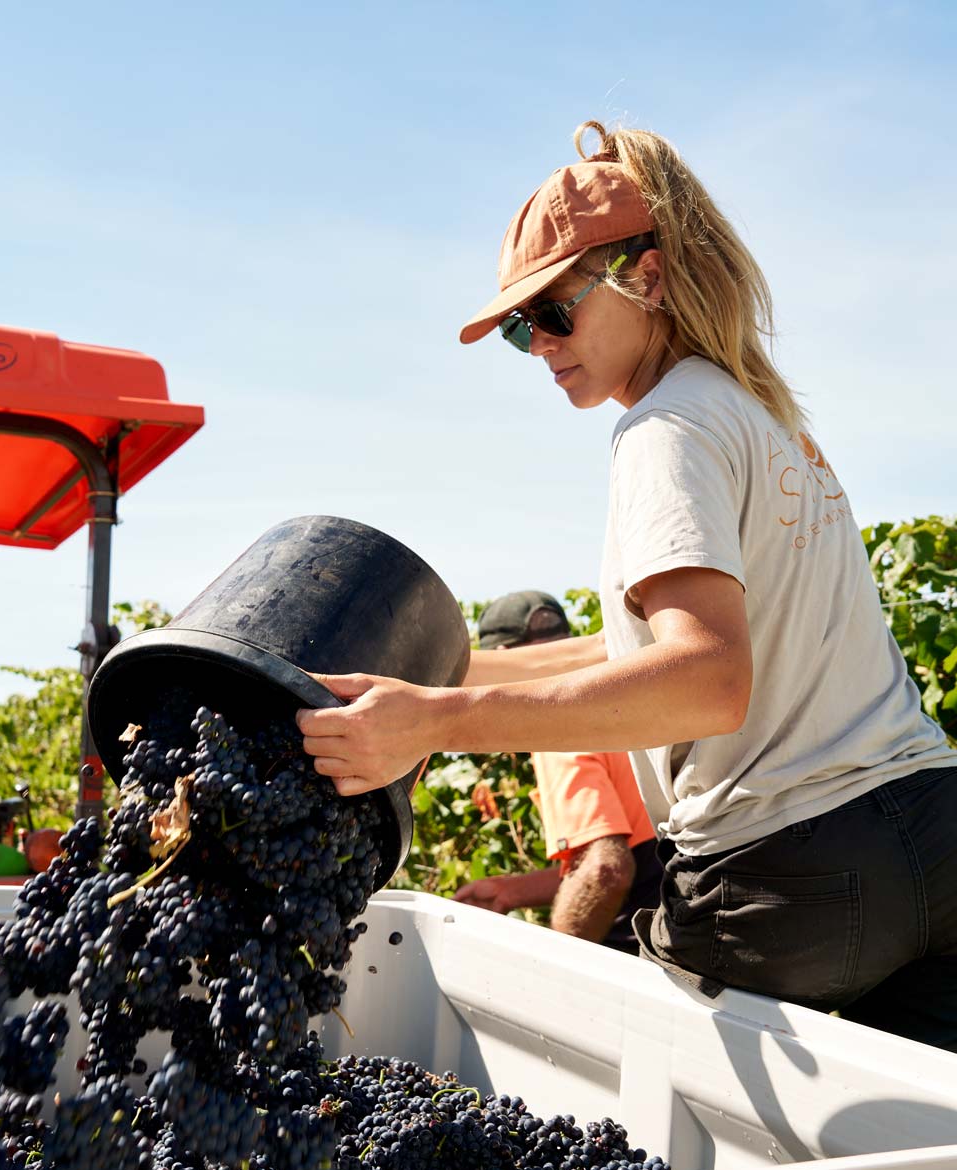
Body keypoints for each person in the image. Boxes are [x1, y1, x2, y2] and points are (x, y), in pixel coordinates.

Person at [297, 120, 957, 1049]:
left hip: (797, 873)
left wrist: (440, 726)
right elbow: (637, 654)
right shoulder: (761, 415)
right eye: (521, 329)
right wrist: (446, 678)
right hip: (936, 841)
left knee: (617, 1093)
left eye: (554, 313)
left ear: (645, 277)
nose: (539, 347)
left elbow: (706, 679)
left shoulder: (663, 429)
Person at [452, 591, 662, 954]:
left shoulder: (558, 723)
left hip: (639, 955)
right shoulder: (627, 697)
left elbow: (605, 871)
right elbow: (639, 853)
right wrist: (511, 891)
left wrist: (557, 969)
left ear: (502, 664)